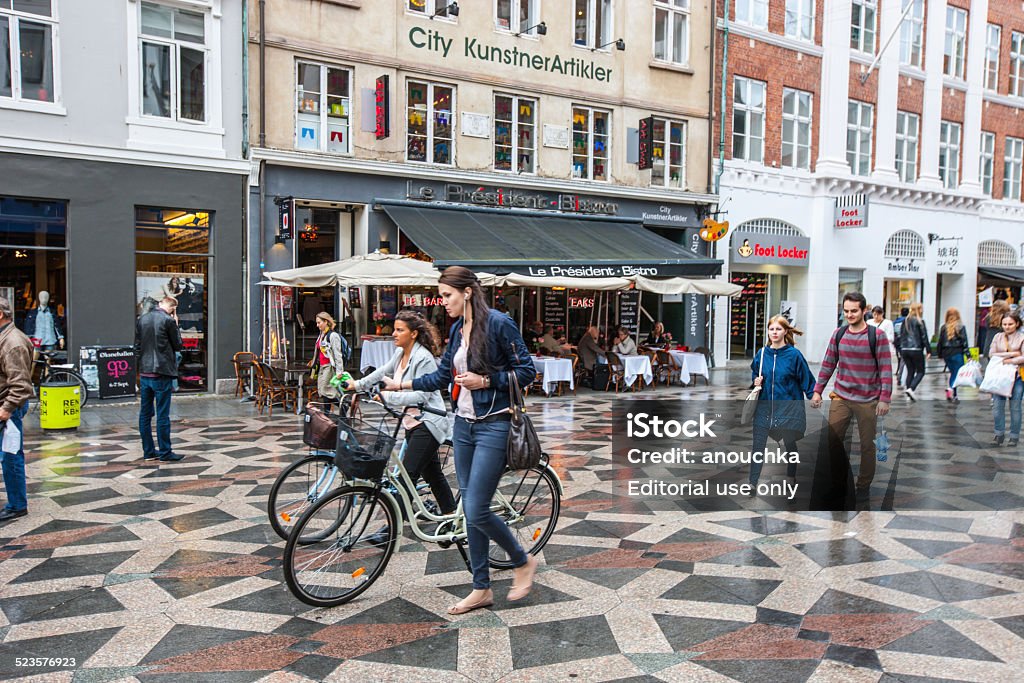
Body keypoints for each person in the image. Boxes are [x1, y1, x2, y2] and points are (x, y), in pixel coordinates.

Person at [384, 266, 538, 615]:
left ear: (467, 292)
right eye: (442, 295)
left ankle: (521, 560)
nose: (444, 302)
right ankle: (481, 588)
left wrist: (486, 381)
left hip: (495, 425)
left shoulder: (499, 323)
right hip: (464, 427)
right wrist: (402, 386)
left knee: (476, 508)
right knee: (470, 512)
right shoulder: (457, 329)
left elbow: (527, 370)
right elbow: (442, 376)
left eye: (449, 295)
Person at [348, 310, 456, 515]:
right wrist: (357, 384)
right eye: (395, 329)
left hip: (428, 422)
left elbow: (421, 397)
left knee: (406, 477)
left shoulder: (423, 358)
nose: (394, 334)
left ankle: (392, 528)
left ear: (413, 333)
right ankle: (450, 516)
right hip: (411, 422)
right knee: (433, 474)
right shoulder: (400, 353)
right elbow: (383, 371)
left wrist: (388, 397)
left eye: (400, 330)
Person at [811, 292, 892, 500]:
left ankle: (863, 485)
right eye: (846, 311)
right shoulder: (838, 334)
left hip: (868, 399)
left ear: (864, 310)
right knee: (833, 441)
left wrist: (885, 397)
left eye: (854, 311)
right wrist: (818, 390)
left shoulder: (877, 336)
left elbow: (885, 368)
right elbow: (828, 363)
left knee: (867, 446)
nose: (849, 314)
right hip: (841, 396)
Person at [749, 316, 815, 490]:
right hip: (764, 407)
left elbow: (806, 378)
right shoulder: (762, 354)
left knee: (790, 444)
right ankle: (752, 483)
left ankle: (791, 477)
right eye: (772, 329)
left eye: (778, 329)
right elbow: (755, 373)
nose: (774, 333)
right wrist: (756, 380)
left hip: (788, 409)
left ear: (785, 331)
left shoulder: (794, 355)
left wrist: (813, 395)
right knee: (758, 446)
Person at [135, 296, 184, 462]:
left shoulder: (142, 319)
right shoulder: (168, 320)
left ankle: (148, 451)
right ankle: (165, 452)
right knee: (163, 414)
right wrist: (176, 324)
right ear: (172, 308)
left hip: (145, 371)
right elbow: (178, 345)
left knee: (145, 414)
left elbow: (137, 346)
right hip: (161, 372)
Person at [0, 296, 34, 522]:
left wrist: (6, 409)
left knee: (10, 457)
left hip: (7, 408)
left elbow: (21, 385)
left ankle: (17, 505)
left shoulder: (13, 342)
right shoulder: (6, 338)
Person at [988, 312, 1024, 447]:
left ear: (1017, 324)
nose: (1007, 327)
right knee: (997, 406)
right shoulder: (998, 337)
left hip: (1017, 377)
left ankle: (1014, 436)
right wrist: (1013, 354)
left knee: (1015, 407)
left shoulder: (1022, 338)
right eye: (1004, 324)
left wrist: (1005, 360)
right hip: (1000, 376)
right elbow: (991, 354)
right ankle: (999, 433)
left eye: (1010, 324)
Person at [311, 312, 346, 412]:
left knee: (326, 390)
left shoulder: (333, 335)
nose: (317, 325)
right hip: (322, 366)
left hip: (329, 366)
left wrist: (340, 371)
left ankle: (340, 407)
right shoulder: (321, 335)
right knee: (323, 390)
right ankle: (332, 411)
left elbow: (337, 354)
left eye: (319, 322)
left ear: (326, 322)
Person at [898, 302, 931, 401]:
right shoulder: (920, 321)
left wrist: (901, 348)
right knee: (921, 371)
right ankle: (911, 389)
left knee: (910, 371)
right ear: (919, 309)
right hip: (916, 349)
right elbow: (924, 337)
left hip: (905, 349)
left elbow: (901, 335)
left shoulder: (905, 321)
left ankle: (909, 391)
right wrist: (928, 350)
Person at [936, 307, 969, 404]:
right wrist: (968, 355)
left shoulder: (943, 327)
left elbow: (940, 342)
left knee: (953, 373)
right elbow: (964, 342)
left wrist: (939, 354)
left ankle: (953, 393)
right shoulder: (961, 327)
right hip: (957, 352)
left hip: (947, 353)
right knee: (956, 373)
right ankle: (951, 389)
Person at [868, 306, 898, 383]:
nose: (876, 316)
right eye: (874, 314)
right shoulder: (869, 322)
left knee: (882, 366)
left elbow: (891, 337)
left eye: (878, 314)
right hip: (871, 348)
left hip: (884, 348)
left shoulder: (888, 323)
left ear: (882, 314)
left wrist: (878, 338)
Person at [893, 307, 909, 387]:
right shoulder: (907, 321)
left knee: (900, 359)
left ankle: (899, 374)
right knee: (903, 360)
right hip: (904, 343)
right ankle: (900, 377)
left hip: (897, 342)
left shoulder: (896, 321)